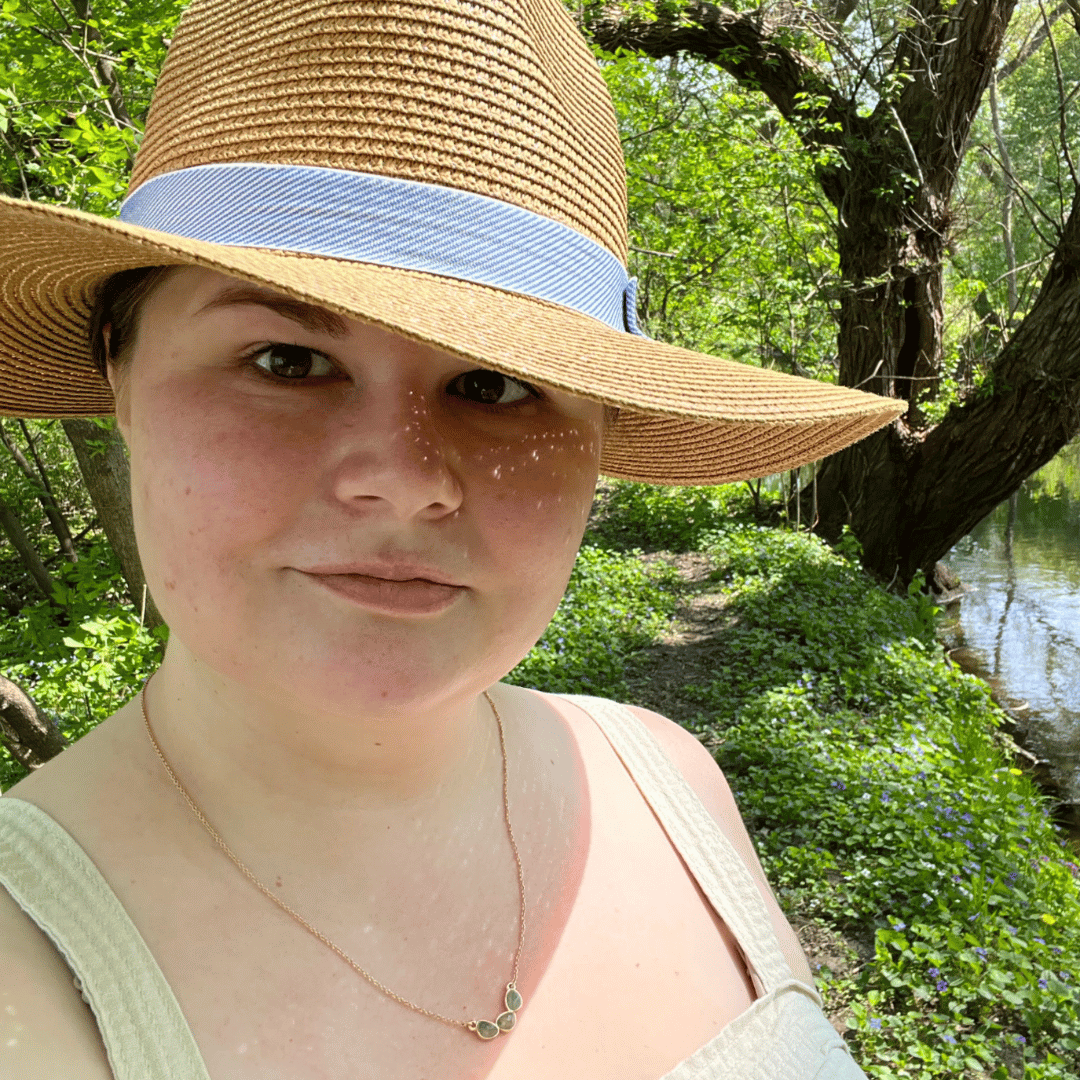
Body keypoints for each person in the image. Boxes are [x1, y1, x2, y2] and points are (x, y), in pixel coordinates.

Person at [0, 1, 902, 1077]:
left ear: (601, 433)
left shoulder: (674, 783)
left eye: (495, 385)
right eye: (286, 360)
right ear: (119, 372)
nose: (404, 478)